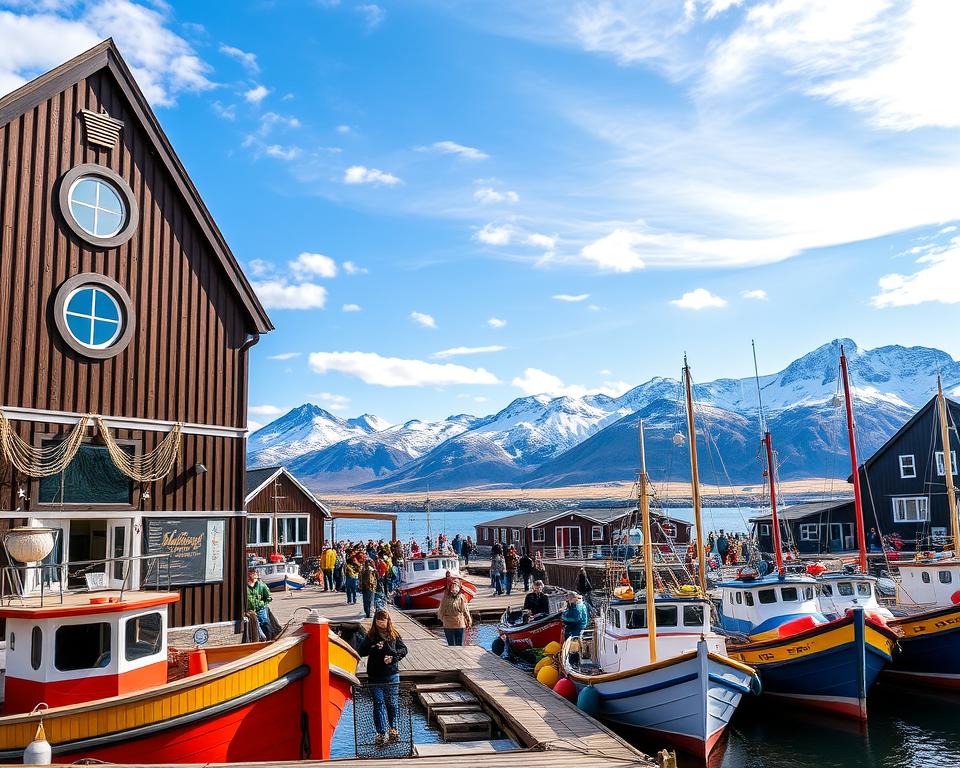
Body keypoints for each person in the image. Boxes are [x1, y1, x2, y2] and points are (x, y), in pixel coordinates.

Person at [359, 609, 408, 749]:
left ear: (388, 621)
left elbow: (404, 650)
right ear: (375, 621)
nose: (381, 623)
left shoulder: (394, 634)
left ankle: (393, 728)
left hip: (391, 675)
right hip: (375, 676)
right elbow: (361, 651)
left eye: (383, 621)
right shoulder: (370, 636)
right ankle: (381, 732)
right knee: (378, 704)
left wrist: (393, 658)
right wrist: (374, 648)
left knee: (392, 703)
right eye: (379, 621)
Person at [437, 578, 472, 646]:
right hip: (459, 623)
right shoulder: (461, 597)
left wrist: (443, 619)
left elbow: (441, 612)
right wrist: (469, 621)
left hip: (449, 624)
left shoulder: (445, 598)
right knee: (459, 646)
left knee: (452, 646)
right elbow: (465, 610)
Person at [247, 567, 273, 640]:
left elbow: (269, 598)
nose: (253, 576)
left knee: (264, 623)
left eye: (254, 574)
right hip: (250, 611)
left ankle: (269, 639)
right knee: (254, 627)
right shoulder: (245, 587)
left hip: (260, 609)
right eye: (251, 574)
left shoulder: (261, 586)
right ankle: (260, 640)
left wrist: (261, 604)